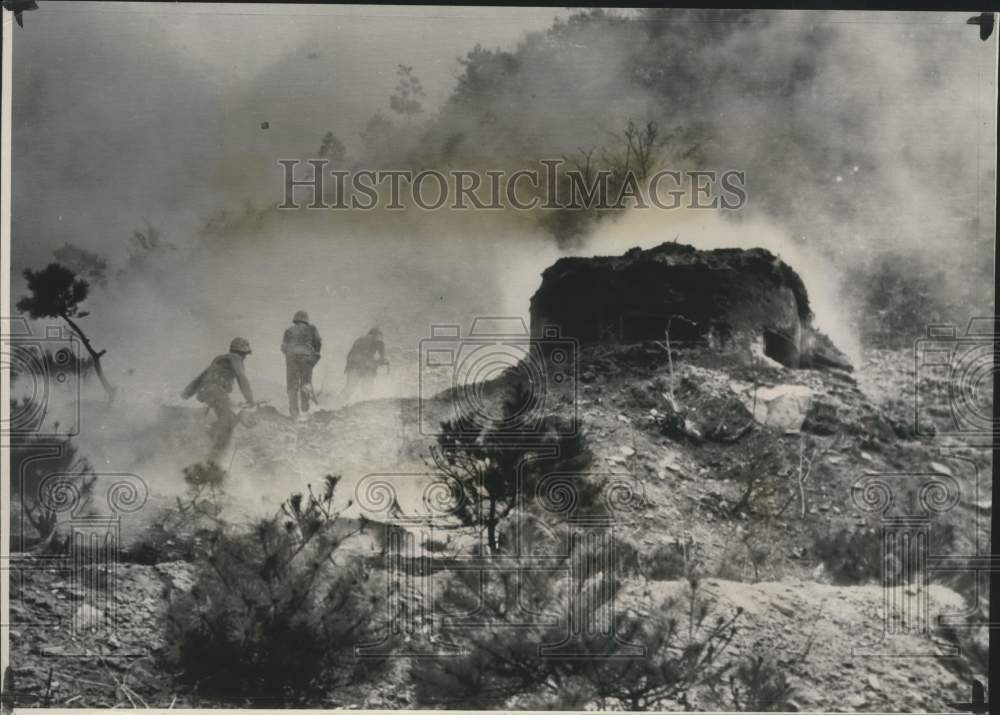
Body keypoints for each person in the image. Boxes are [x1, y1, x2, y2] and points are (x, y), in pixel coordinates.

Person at [181, 337, 255, 464]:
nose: (245, 358)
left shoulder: (219, 360)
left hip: (209, 391)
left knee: (229, 418)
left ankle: (212, 433)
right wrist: (250, 400)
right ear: (241, 352)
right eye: (245, 355)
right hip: (216, 392)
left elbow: (202, 377)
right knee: (228, 424)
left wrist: (187, 393)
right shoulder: (235, 358)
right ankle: (213, 462)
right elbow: (241, 378)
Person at [281, 310, 322, 420]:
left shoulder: (288, 330)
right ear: (306, 319)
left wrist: (290, 355)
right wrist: (316, 352)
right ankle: (305, 408)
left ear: (295, 319)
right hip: (307, 357)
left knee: (292, 385)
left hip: (291, 357)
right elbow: (318, 341)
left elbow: (283, 347)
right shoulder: (312, 328)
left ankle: (294, 413)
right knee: (306, 382)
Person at [343, 327, 388, 402]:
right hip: (364, 366)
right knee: (367, 389)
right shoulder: (378, 342)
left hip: (353, 365)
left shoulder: (359, 339)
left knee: (349, 389)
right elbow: (380, 358)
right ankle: (365, 407)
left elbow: (351, 355)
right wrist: (380, 361)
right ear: (376, 335)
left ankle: (335, 405)